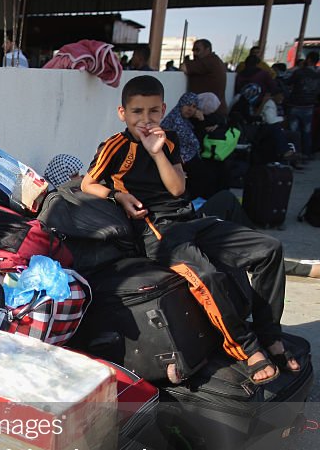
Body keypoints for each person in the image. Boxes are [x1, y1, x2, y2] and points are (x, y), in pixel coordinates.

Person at [81, 75, 299, 385]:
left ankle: (270, 335)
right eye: (137, 112)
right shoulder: (115, 146)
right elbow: (89, 183)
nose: (145, 119)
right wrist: (119, 196)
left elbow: (178, 188)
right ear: (122, 113)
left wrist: (156, 152)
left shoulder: (168, 139)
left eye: (153, 111)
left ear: (163, 109)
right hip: (157, 231)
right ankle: (246, 347)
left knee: (268, 249)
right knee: (206, 276)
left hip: (190, 219)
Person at [160, 92, 225, 199]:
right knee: (205, 175)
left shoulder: (184, 119)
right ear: (181, 104)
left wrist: (202, 121)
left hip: (186, 156)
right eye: (187, 104)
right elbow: (195, 141)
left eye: (194, 106)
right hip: (178, 158)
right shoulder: (176, 121)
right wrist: (202, 122)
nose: (190, 109)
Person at [285, 51, 320, 157]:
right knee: (307, 131)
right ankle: (307, 153)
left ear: (308, 60)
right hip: (309, 106)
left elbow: (288, 82)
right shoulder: (318, 75)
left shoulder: (299, 72)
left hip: (296, 104)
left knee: (294, 132)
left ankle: (295, 154)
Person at [181, 39, 229, 115]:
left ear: (207, 50)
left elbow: (184, 68)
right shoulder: (214, 60)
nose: (194, 53)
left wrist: (187, 62)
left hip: (211, 114)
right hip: (214, 112)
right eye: (193, 50)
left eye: (198, 50)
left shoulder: (209, 61)